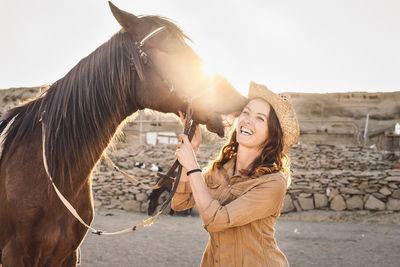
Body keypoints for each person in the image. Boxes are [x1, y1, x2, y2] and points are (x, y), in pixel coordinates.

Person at [173, 81, 300, 267]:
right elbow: (179, 203)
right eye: (246, 113)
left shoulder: (273, 182)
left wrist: (192, 165)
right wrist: (192, 150)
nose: (247, 120)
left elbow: (217, 220)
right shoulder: (222, 169)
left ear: (271, 134)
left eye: (260, 118)